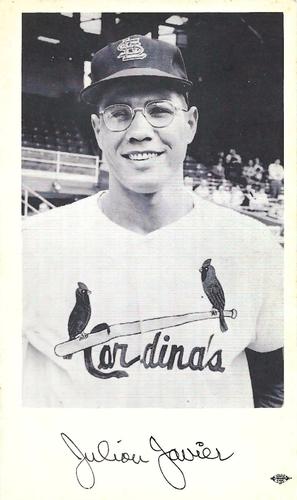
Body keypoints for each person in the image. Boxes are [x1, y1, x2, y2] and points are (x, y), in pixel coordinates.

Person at [23, 34, 283, 408]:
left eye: (159, 110)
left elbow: (276, 385)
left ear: (190, 124)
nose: (140, 130)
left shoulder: (252, 244)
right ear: (98, 130)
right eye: (118, 114)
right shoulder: (29, 244)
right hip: (87, 464)